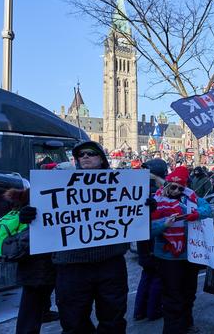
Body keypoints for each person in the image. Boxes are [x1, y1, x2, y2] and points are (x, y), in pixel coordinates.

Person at [23, 141, 130, 333]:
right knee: (73, 321)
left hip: (110, 263)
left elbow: (132, 218)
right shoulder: (59, 184)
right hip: (71, 266)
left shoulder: (123, 185)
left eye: (91, 153)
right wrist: (29, 215)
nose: (86, 157)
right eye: (81, 155)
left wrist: (146, 208)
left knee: (113, 320)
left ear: (102, 160)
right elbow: (45, 215)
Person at [148, 166, 211, 333]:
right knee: (172, 297)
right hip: (167, 257)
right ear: (167, 185)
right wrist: (164, 225)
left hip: (190, 255)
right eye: (173, 187)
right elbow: (149, 231)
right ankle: (173, 330)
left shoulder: (191, 197)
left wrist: (195, 214)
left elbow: (207, 209)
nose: (176, 191)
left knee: (189, 293)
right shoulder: (156, 200)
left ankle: (187, 324)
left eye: (180, 188)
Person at [2, 188, 58, 334]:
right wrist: (25, 215)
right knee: (32, 303)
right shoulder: (37, 190)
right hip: (38, 260)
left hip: (61, 258)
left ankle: (45, 312)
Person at [132, 159, 168, 322]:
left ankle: (139, 311)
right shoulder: (158, 190)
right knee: (157, 277)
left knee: (146, 275)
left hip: (142, 241)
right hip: (154, 240)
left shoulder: (137, 188)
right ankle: (154, 310)